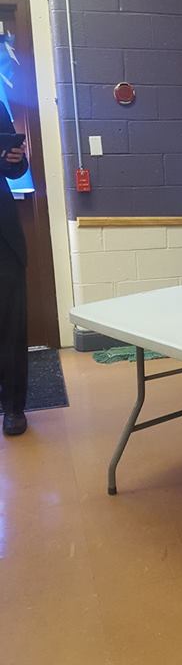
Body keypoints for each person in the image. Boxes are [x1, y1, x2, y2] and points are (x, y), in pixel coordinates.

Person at [0, 100, 29, 436]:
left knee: (11, 325)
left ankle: (14, 408)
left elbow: (16, 169)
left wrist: (16, 159)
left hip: (3, 235)